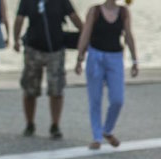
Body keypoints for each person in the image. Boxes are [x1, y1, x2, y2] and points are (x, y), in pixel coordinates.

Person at [75, 0, 138, 149]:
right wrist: (79, 57)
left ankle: (107, 130)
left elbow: (128, 35)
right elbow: (86, 33)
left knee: (118, 99)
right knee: (95, 99)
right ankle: (97, 137)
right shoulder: (95, 11)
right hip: (95, 56)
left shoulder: (123, 12)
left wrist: (135, 59)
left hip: (115, 58)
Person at [14, 0, 82, 139]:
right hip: (33, 48)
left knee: (56, 89)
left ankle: (55, 125)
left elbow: (74, 17)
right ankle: (29, 123)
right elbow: (19, 18)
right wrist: (15, 39)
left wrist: (86, 34)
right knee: (30, 89)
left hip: (55, 49)